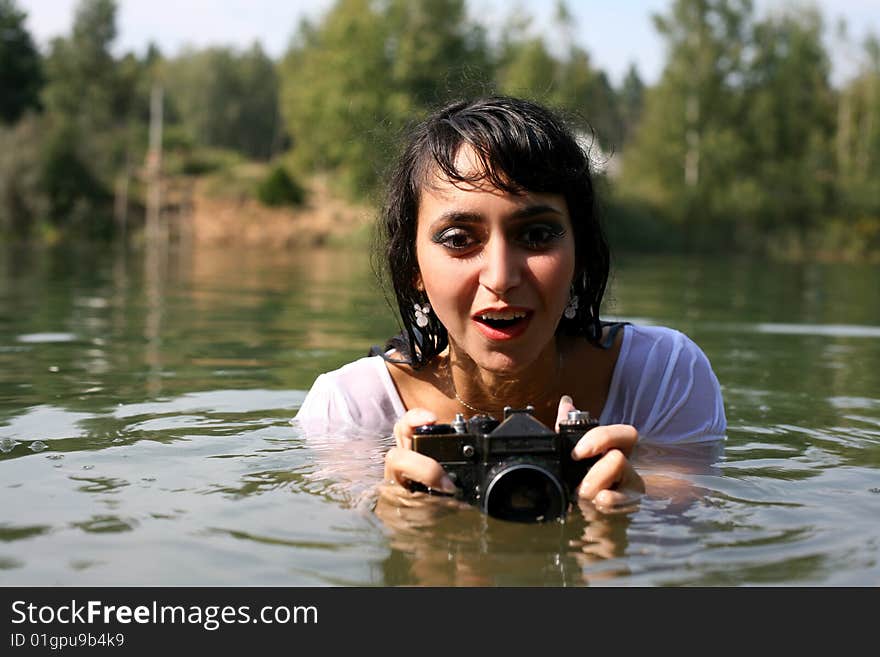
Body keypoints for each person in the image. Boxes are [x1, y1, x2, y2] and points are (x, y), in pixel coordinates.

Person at [296, 95, 726, 511]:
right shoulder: (349, 409)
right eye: (459, 240)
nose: (501, 277)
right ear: (414, 269)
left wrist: (631, 517)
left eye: (537, 235)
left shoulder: (663, 377)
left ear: (580, 255)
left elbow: (688, 552)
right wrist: (408, 536)